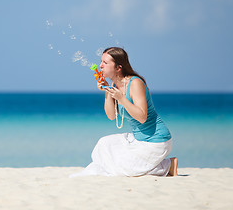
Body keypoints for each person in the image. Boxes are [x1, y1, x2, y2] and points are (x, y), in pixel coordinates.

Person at [71, 47, 178, 177]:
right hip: (138, 139)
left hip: (156, 141)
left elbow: (142, 117)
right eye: (101, 62)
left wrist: (121, 98)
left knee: (123, 169)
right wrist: (107, 90)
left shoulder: (135, 83)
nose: (100, 66)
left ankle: (168, 165)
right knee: (104, 144)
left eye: (105, 63)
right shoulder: (115, 86)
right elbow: (111, 116)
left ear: (118, 68)